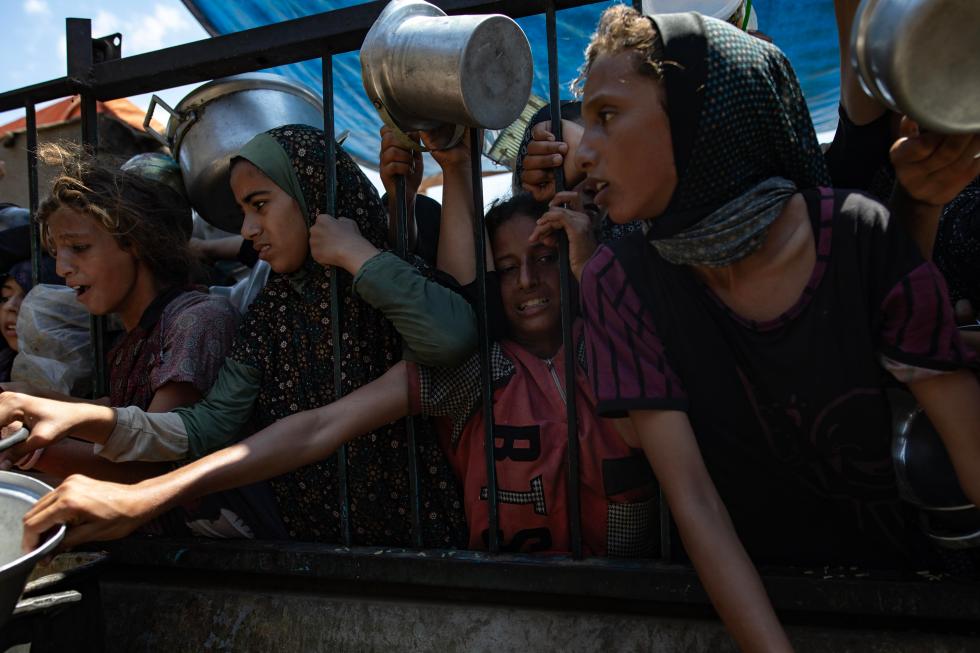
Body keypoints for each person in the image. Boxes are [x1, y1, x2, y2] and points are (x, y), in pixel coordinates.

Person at [569, 7, 980, 651]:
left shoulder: (860, 235)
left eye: (608, 115)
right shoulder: (618, 282)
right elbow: (696, 502)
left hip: (906, 594)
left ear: (702, 114)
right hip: (753, 613)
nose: (581, 150)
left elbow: (972, 448)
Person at [14, 192, 658, 559]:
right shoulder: (474, 371)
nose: (525, 281)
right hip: (498, 598)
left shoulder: (625, 351)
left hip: (629, 597)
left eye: (547, 260)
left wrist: (590, 272)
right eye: (507, 264)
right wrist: (143, 495)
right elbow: (316, 428)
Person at [1, 124, 472, 547]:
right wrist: (68, 415)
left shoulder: (391, 281)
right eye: (243, 210)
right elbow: (201, 426)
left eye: (260, 205)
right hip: (314, 553)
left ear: (313, 194)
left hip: (421, 546)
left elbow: (452, 340)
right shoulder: (270, 315)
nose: (248, 229)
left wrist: (357, 256)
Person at [3, 144, 236, 484]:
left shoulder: (197, 321)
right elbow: (117, 418)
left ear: (135, 240)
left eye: (79, 248)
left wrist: (24, 448)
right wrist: (23, 398)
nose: (62, 268)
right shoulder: (131, 337)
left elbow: (154, 458)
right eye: (57, 251)